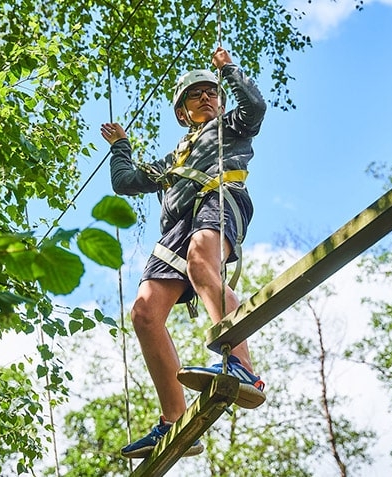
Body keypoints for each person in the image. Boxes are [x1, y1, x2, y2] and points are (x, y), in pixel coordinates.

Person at [100, 46, 267, 459]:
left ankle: (242, 365)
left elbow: (255, 105)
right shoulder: (172, 159)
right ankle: (174, 419)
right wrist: (121, 145)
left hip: (220, 195)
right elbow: (125, 181)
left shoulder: (232, 127)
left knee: (201, 263)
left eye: (212, 93)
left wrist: (227, 69)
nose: (207, 98)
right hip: (176, 226)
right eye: (197, 96)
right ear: (182, 111)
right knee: (144, 314)